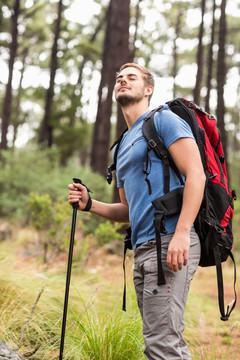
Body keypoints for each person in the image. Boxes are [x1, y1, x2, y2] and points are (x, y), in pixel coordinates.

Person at [68, 63, 206, 360]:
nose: (122, 80)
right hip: (143, 250)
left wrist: (182, 232)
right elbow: (129, 209)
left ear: (148, 90)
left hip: (170, 241)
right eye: (119, 78)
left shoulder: (164, 121)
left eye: (131, 77)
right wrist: (90, 204)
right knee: (160, 339)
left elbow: (197, 175)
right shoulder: (121, 147)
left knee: (161, 343)